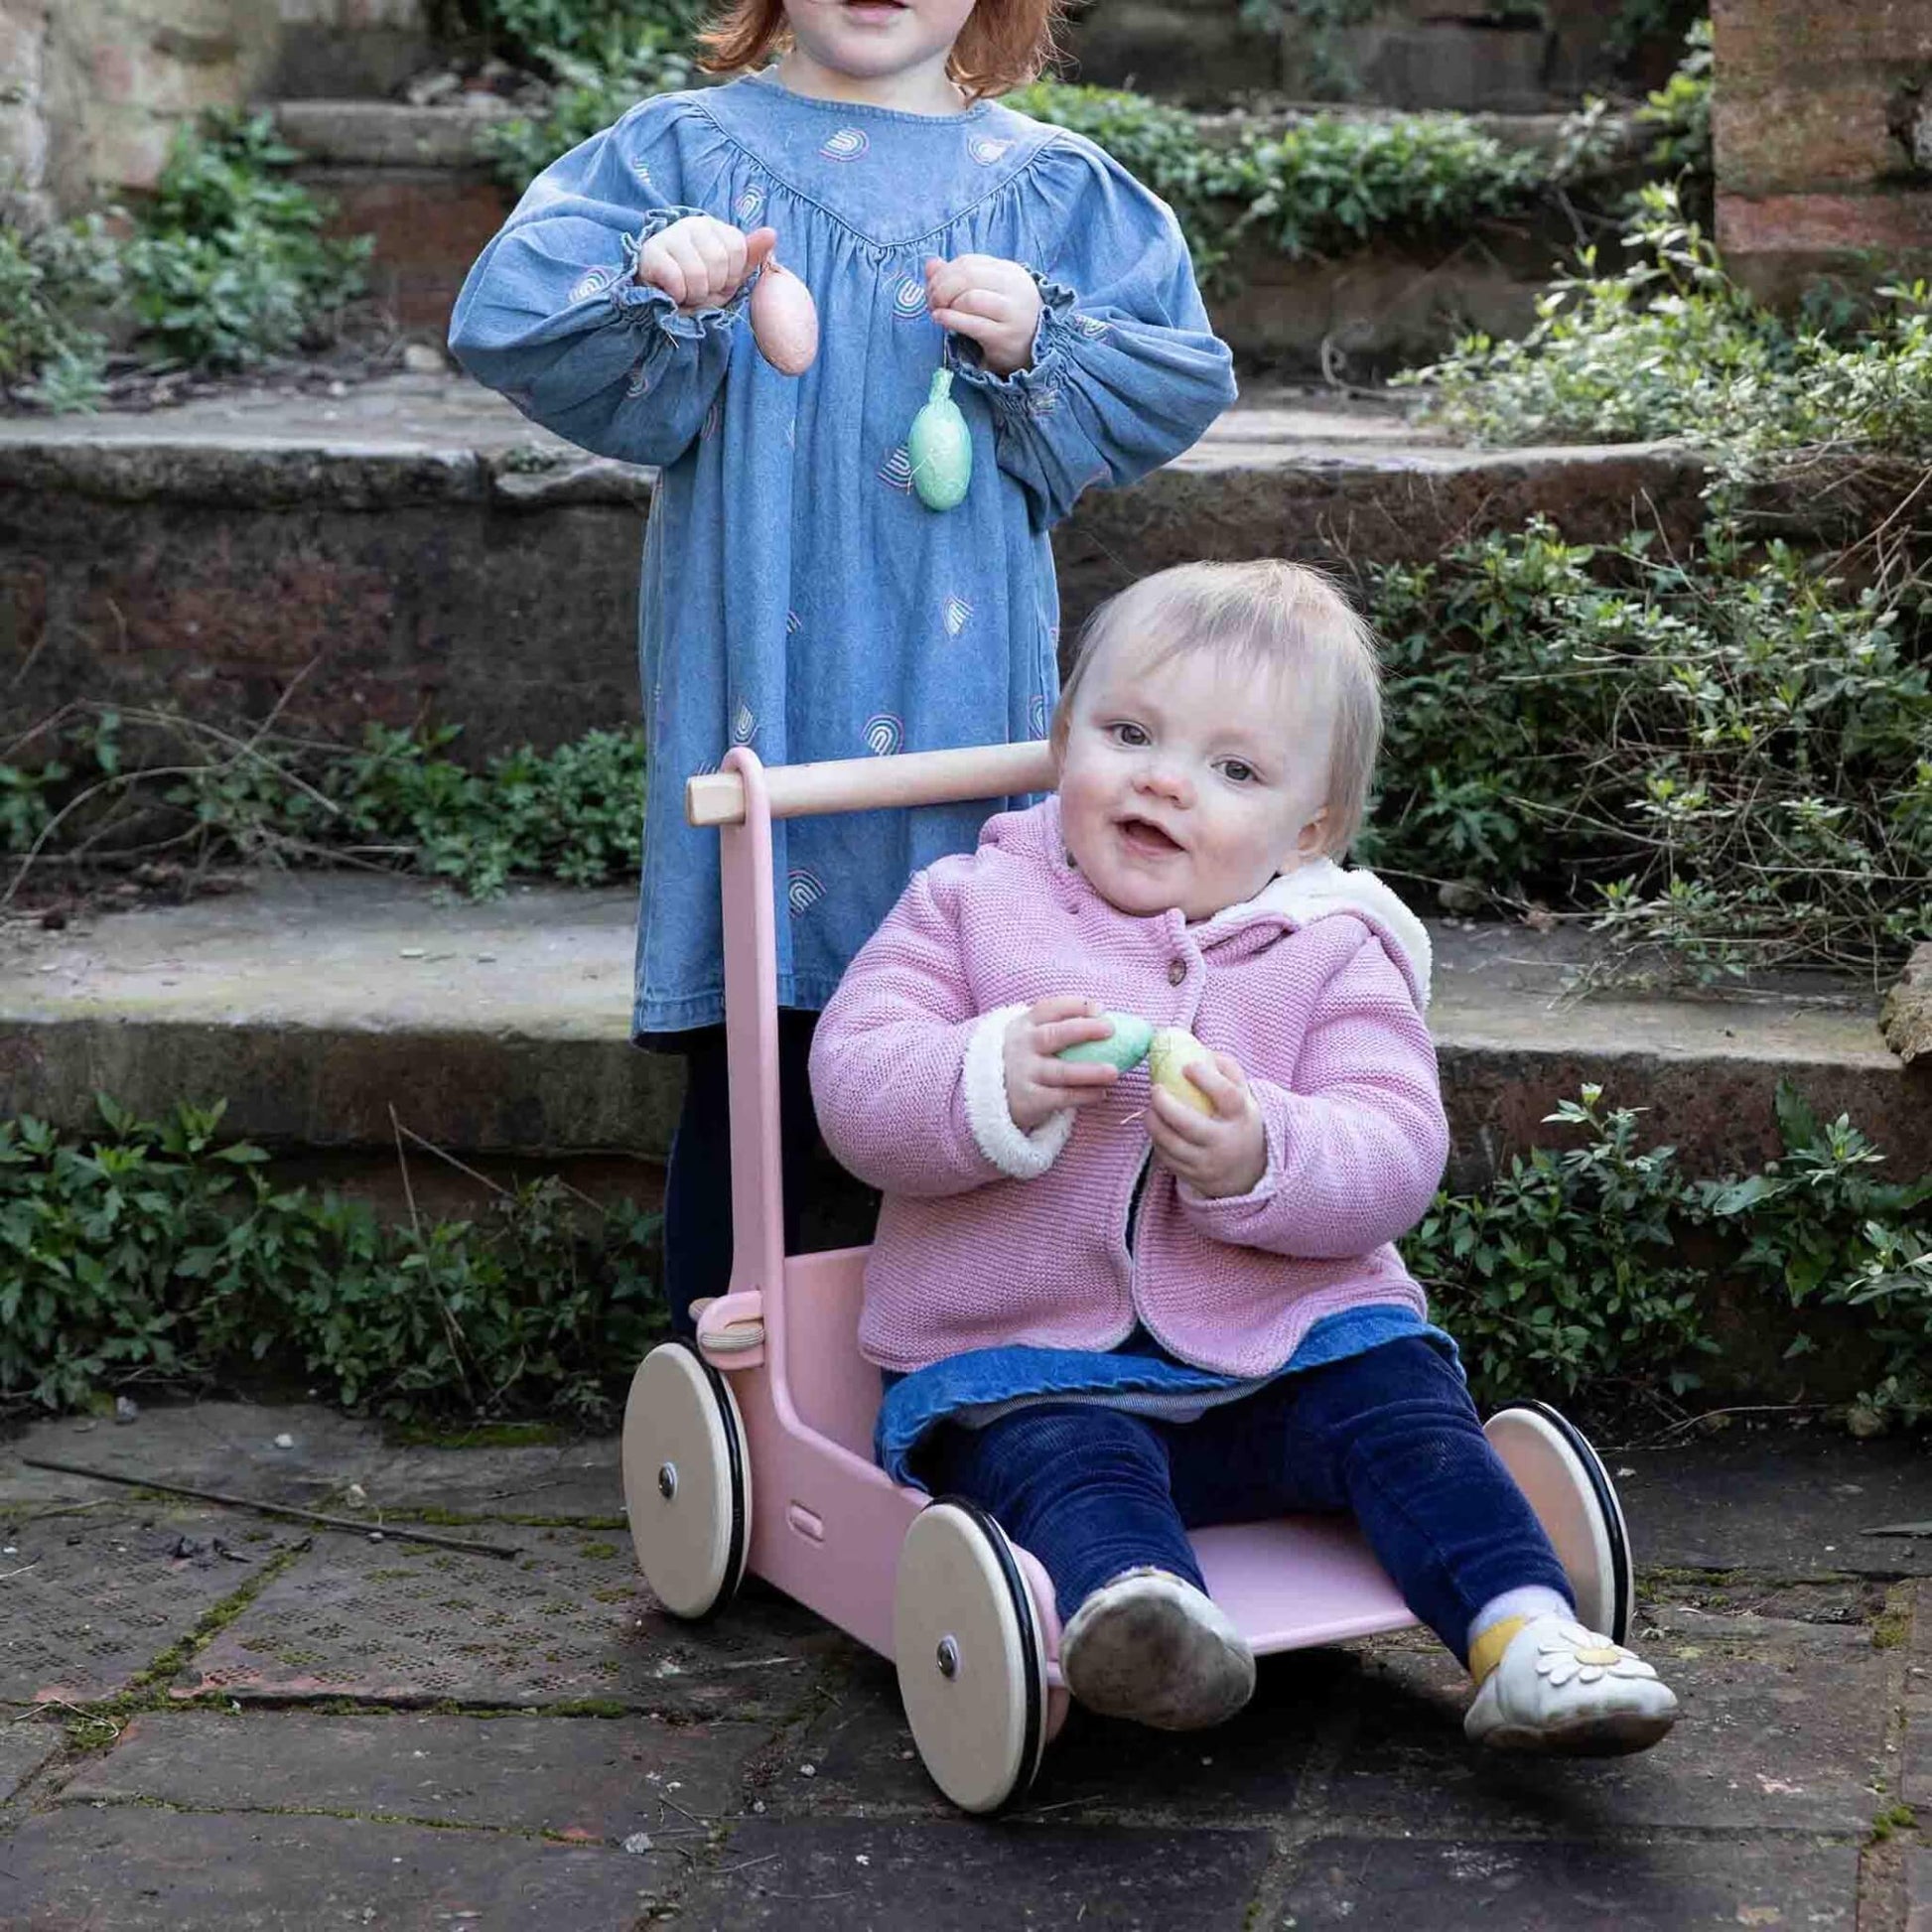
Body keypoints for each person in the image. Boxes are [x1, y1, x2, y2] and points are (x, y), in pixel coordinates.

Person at [447, 0, 1238, 1329]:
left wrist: (1038, 336)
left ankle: (971, 1380)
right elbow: (509, 314)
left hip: (957, 719)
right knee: (756, 1068)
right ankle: (737, 1419)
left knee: (967, 1049)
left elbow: (1177, 375)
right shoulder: (676, 160)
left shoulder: (1051, 194)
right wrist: (659, 271)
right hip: (764, 706)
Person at [808, 560, 1681, 1752]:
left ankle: (1526, 1631)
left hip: (1289, 1356)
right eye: (1127, 733)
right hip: (1032, 1354)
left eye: (1233, 769)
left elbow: (1394, 1141)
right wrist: (978, 1077)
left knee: (1410, 1414)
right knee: (1057, 1456)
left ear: (1307, 824)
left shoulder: (1331, 948)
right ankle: (1145, 1616)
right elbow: (854, 1081)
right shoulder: (968, 904)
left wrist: (1262, 1151)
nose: (1164, 779)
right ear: (1063, 740)